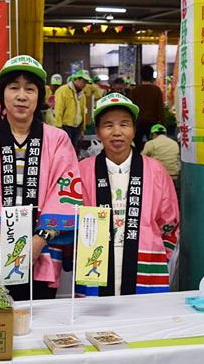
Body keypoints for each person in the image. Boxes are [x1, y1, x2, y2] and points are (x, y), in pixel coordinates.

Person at [0, 55, 81, 301]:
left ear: (39, 98)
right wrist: (1, 238)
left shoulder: (58, 140)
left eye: (30, 89)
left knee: (40, 318)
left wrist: (40, 238)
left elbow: (63, 190)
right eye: (14, 88)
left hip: (41, 249)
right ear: (2, 95)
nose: (21, 96)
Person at [76, 93, 178, 297]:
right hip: (95, 262)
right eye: (108, 125)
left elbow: (170, 222)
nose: (116, 133)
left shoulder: (155, 170)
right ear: (97, 131)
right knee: (96, 324)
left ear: (134, 130)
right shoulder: (82, 170)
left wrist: (159, 254)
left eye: (124, 125)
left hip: (145, 262)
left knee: (142, 322)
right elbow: (72, 218)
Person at [130, 65, 165, 151]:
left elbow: (130, 109)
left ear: (141, 76)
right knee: (153, 149)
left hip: (138, 124)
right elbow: (161, 109)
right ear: (152, 76)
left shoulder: (135, 91)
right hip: (153, 124)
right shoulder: (156, 90)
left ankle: (137, 163)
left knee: (136, 149)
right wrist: (163, 125)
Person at [54, 69, 90, 150]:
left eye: (86, 82)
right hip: (65, 127)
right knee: (63, 151)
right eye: (84, 81)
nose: (85, 84)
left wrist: (82, 129)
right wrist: (59, 127)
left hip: (76, 128)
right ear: (77, 79)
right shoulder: (63, 90)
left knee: (72, 151)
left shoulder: (81, 94)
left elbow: (82, 112)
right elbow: (58, 110)